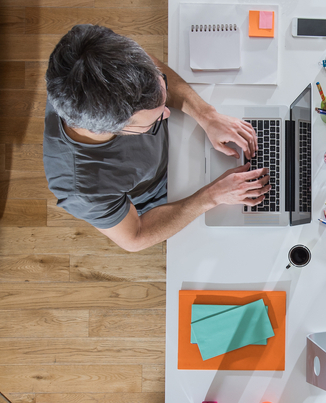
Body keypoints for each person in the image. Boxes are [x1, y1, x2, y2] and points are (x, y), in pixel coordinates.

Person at [43, 24, 270, 252]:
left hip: (180, 142)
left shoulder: (96, 53)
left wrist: (206, 114)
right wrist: (212, 197)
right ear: (112, 130)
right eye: (155, 120)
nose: (167, 114)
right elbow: (135, 237)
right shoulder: (84, 188)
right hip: (163, 193)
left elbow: (150, 65)